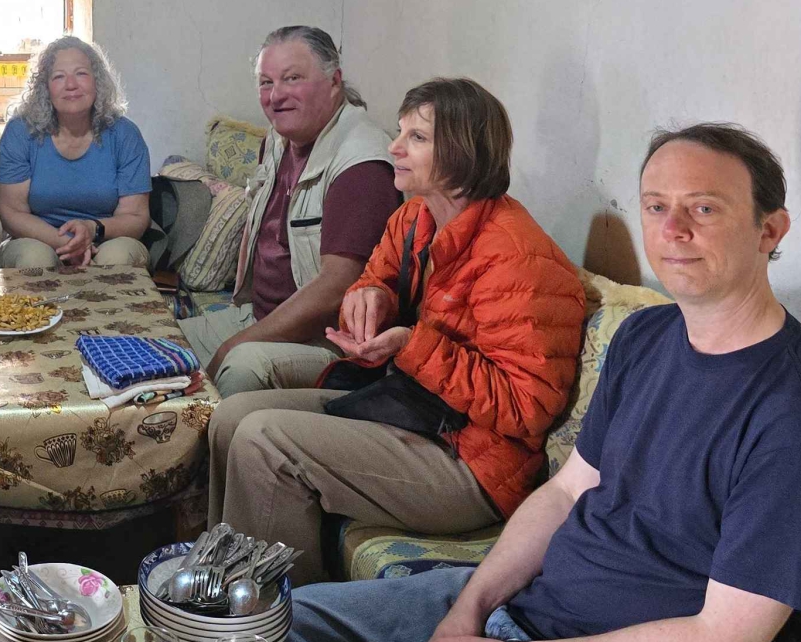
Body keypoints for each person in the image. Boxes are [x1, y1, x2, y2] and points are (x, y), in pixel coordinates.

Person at [283, 123, 801, 642]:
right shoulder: (647, 335)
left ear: (770, 229)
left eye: (704, 207)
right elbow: (566, 492)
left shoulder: (790, 414)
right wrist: (472, 606)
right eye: (656, 206)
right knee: (276, 627)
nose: (673, 229)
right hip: (536, 612)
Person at [209, 78, 585, 585]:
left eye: (417, 137)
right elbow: (372, 282)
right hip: (409, 408)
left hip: (473, 464)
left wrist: (413, 345)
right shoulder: (414, 217)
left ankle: (278, 618)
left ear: (464, 151)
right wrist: (372, 300)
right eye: (401, 132)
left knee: (265, 441)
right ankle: (216, 583)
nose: (394, 147)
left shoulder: (516, 257)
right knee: (230, 417)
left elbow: (526, 409)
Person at [178, 26, 401, 395]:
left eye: (292, 78)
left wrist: (235, 345)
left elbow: (337, 287)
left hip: (328, 342)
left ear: (334, 81)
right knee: (160, 342)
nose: (276, 95)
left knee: (241, 366)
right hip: (260, 318)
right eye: (266, 82)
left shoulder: (361, 162)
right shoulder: (278, 139)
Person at [0, 36, 152, 268]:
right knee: (34, 259)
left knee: (116, 258)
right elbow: (12, 213)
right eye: (59, 76)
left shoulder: (125, 134)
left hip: (105, 237)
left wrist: (91, 230)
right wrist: (68, 243)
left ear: (97, 81)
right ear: (45, 87)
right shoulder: (20, 131)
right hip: (37, 239)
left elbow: (136, 217)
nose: (71, 85)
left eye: (81, 73)